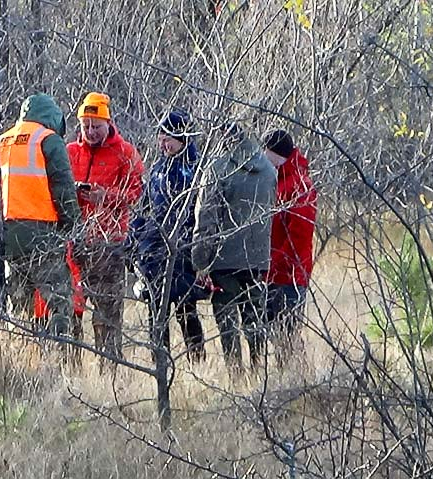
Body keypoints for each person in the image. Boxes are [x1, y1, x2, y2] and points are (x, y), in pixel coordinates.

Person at [192, 123, 276, 370]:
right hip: (258, 260)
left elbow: (205, 220)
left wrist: (200, 262)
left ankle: (236, 376)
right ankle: (259, 373)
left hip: (224, 260)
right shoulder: (269, 169)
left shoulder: (217, 170)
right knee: (255, 321)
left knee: (228, 325)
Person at [66, 92, 144, 360]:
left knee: (107, 314)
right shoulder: (70, 152)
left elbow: (135, 195)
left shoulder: (126, 153)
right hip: (74, 243)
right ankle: (70, 367)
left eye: (96, 126)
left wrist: (106, 197)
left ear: (108, 124)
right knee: (70, 308)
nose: (90, 131)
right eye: (85, 125)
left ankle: (109, 370)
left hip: (109, 243)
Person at [0, 94, 81, 339]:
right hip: (43, 236)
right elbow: (63, 189)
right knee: (59, 302)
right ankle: (60, 354)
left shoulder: (2, 141)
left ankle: (21, 359)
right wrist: (73, 227)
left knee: (18, 306)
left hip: (8, 237)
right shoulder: (49, 140)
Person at [130, 109, 208, 362]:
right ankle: (159, 363)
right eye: (161, 138)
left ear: (182, 139)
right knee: (156, 311)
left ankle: (197, 360)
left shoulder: (196, 170)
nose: (164, 144)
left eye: (169, 139)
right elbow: (144, 207)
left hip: (185, 250)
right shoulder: (157, 170)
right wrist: (135, 238)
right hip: (154, 252)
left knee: (187, 310)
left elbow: (203, 212)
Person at [261, 130, 317, 357]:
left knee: (287, 335)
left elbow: (299, 237)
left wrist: (274, 264)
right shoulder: (275, 180)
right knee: (274, 333)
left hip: (290, 276)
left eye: (267, 153)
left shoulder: (300, 185)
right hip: (272, 274)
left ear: (276, 153)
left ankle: (299, 379)